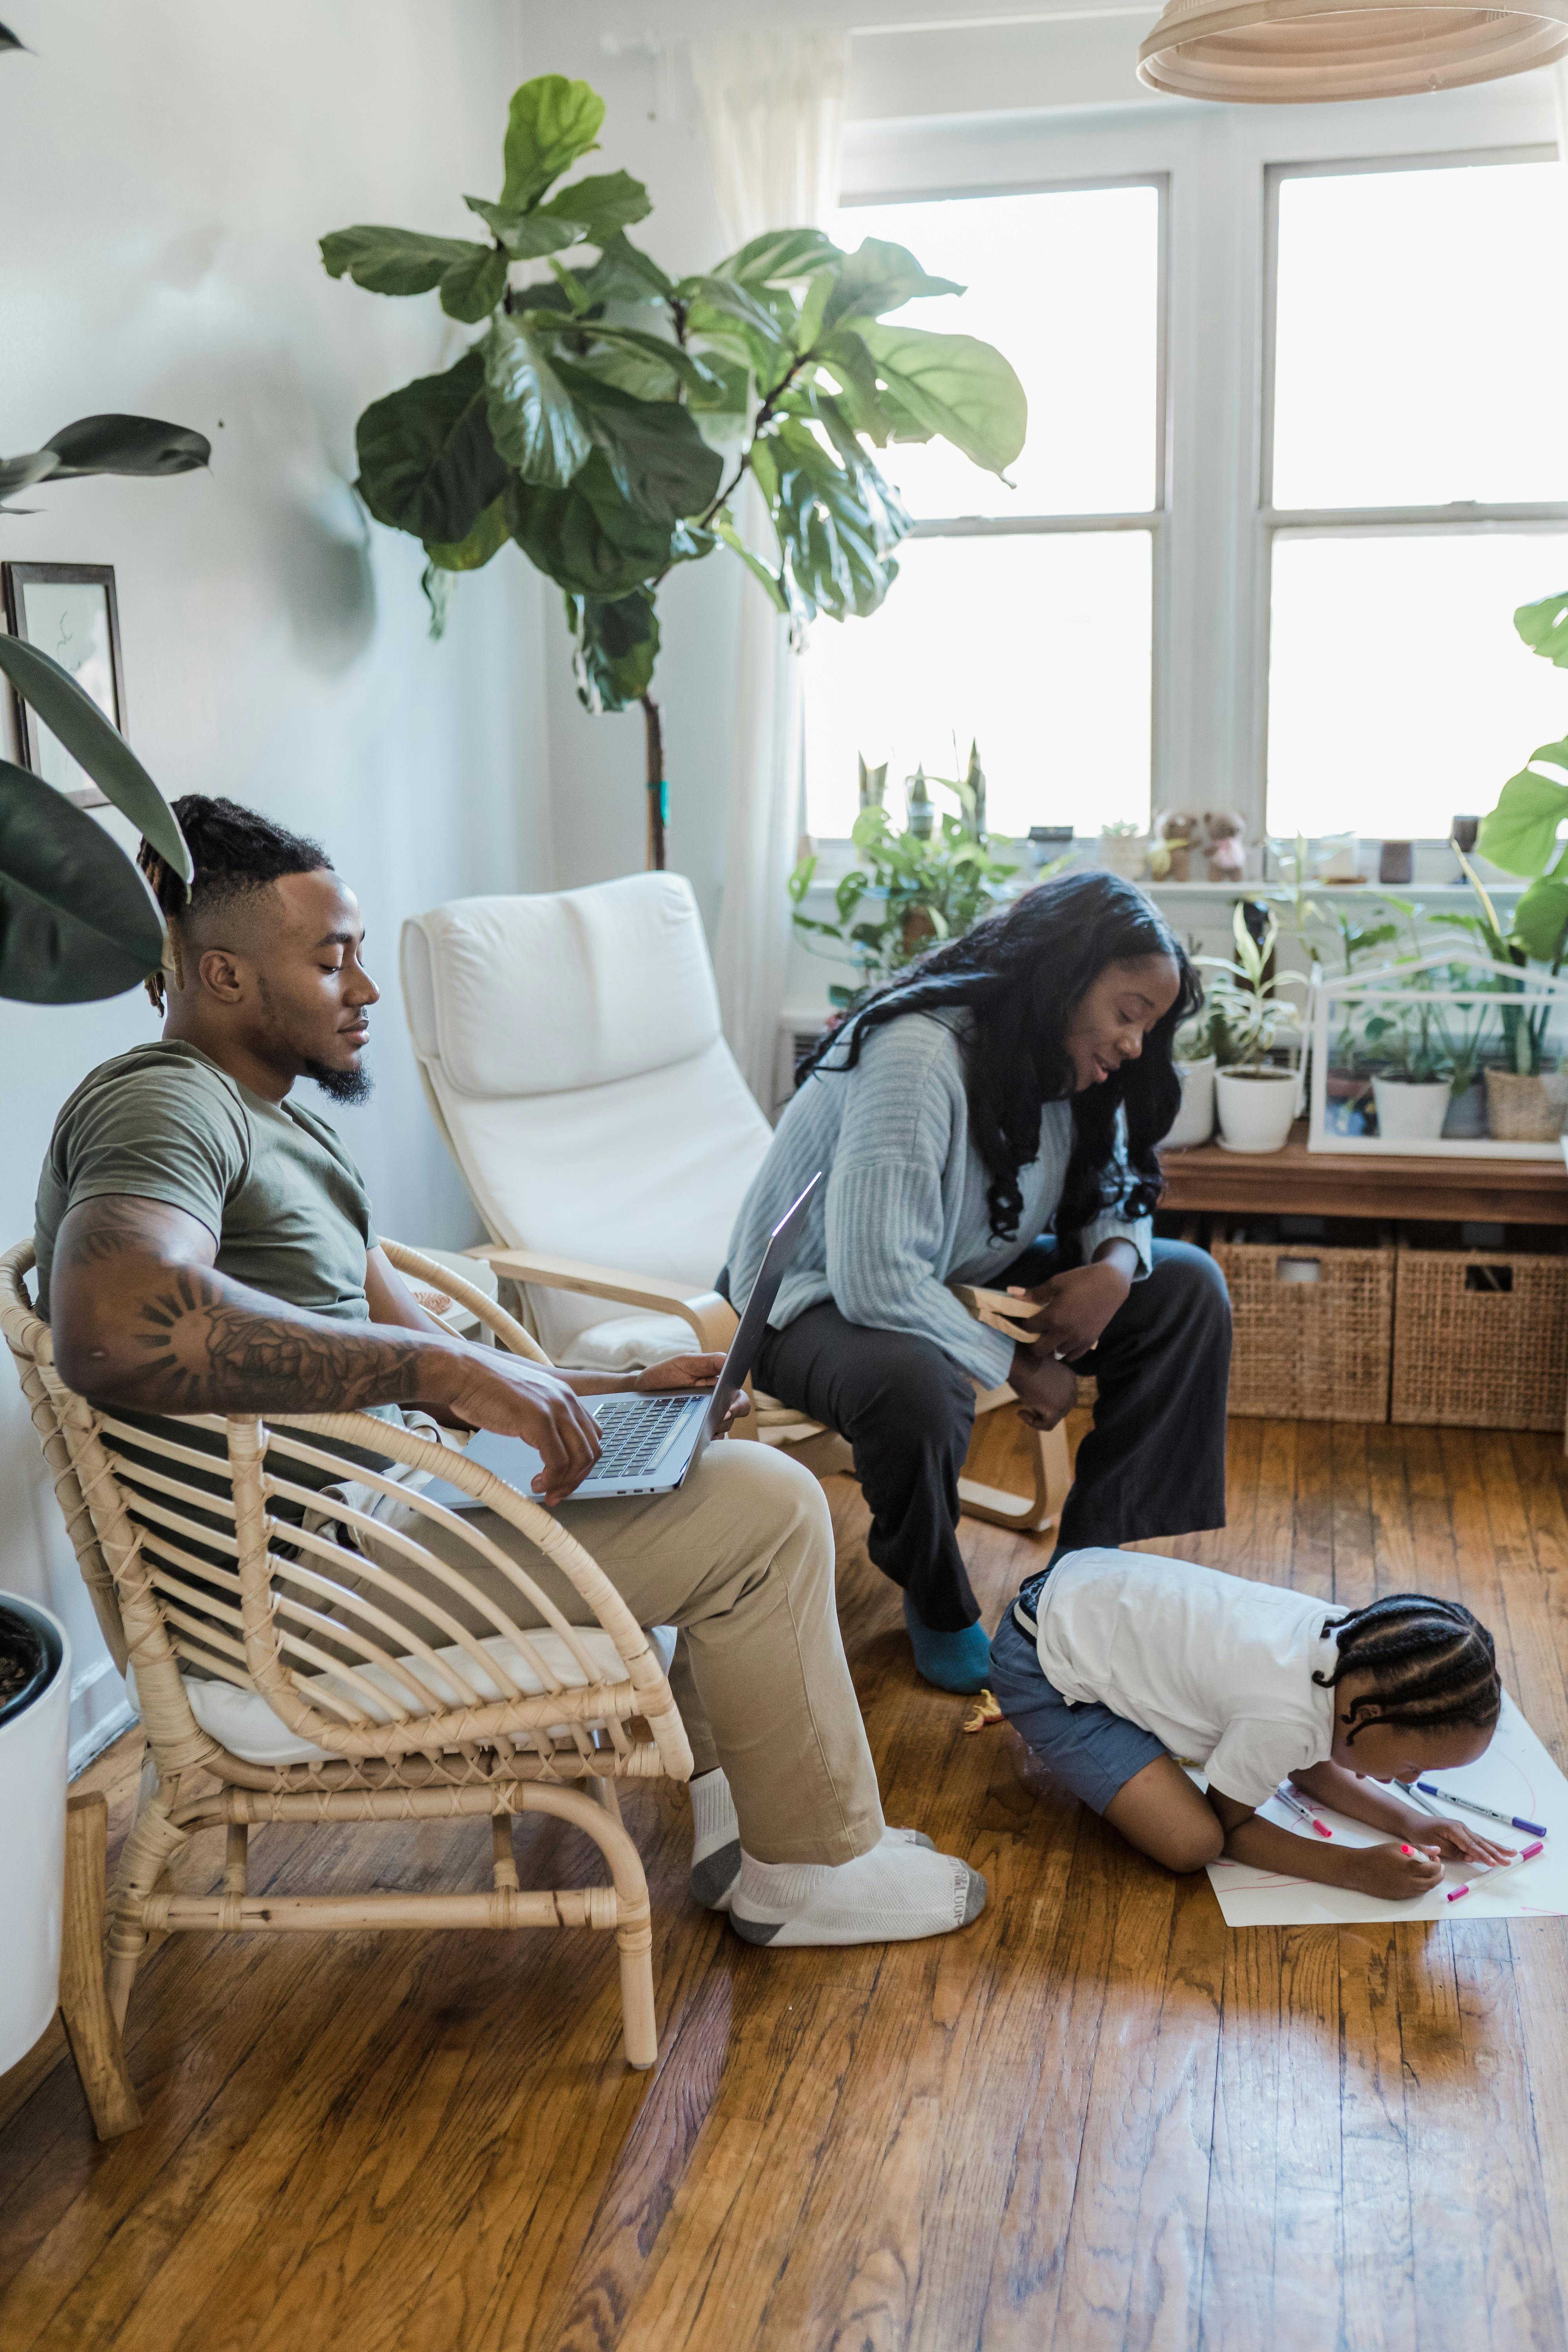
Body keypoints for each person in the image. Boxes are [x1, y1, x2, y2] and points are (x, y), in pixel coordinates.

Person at [38, 795, 985, 1951]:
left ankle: (755, 1828)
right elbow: (111, 1319)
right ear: (224, 977)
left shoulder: (283, 1128)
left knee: (702, 1454)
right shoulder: (165, 1101)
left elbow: (424, 1361)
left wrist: (622, 1399)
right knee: (771, 1511)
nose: (366, 990)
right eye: (331, 962)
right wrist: (440, 1368)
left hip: (371, 1528)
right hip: (287, 1606)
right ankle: (812, 1870)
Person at [720, 870, 1232, 1696]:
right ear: (1066, 975)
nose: (1135, 1044)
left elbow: (1116, 1187)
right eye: (1127, 1013)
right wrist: (1019, 1363)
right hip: (805, 1298)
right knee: (912, 1381)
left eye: (1151, 1024)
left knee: (1185, 1289)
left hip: (950, 1272)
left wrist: (1111, 1266)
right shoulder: (919, 1054)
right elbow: (874, 1279)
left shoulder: (1069, 1065)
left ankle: (1083, 1574)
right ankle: (935, 1596)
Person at [989, 1553, 1511, 1898]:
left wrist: (1409, 1823)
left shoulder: (1349, 1652)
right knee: (1191, 1842)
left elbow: (1308, 1764)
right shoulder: (1279, 1715)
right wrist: (1354, 1869)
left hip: (1080, 1584)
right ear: (1369, 1718)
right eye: (1412, 1766)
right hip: (1038, 1665)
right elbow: (1229, 1828)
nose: (1410, 1781)